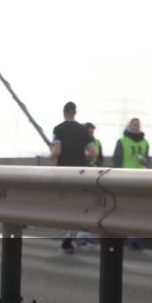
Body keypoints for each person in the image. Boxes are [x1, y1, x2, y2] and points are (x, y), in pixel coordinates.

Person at [51, 101, 96, 253]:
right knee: (78, 205)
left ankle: (68, 238)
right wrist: (80, 155)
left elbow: (56, 152)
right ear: (75, 112)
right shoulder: (83, 131)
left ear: (64, 112)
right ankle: (71, 237)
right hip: (80, 172)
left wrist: (53, 156)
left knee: (66, 206)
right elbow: (93, 153)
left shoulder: (59, 129)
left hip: (64, 172)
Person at [113, 117, 149, 249]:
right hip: (124, 178)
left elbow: (147, 160)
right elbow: (116, 160)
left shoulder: (145, 142)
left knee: (136, 209)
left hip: (139, 179)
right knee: (123, 208)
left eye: (138, 124)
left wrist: (144, 160)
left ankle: (133, 238)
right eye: (134, 124)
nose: (136, 126)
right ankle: (122, 234)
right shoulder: (122, 141)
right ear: (129, 126)